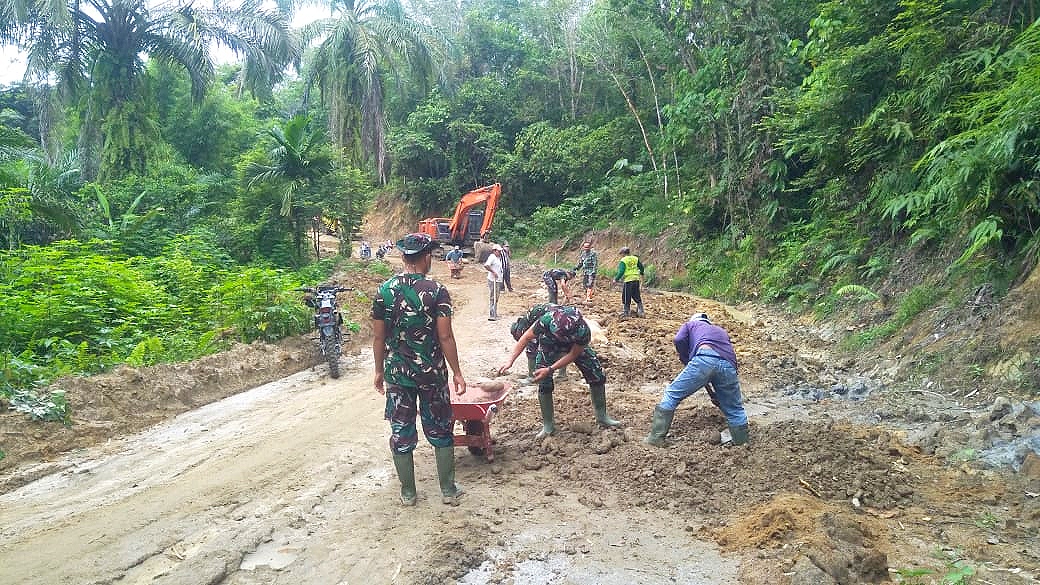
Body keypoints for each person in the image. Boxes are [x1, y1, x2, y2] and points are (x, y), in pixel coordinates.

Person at [372, 233, 467, 506]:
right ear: (426, 257)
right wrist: (457, 372)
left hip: (398, 375)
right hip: (431, 375)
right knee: (440, 429)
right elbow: (445, 337)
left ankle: (408, 494)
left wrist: (379, 371)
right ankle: (448, 491)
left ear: (403, 256)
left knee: (401, 430)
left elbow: (379, 338)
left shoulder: (384, 292)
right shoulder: (437, 291)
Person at [498, 304, 621, 438]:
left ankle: (602, 417)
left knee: (595, 371)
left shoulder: (583, 331)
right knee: (543, 379)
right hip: (548, 341)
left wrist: (551, 369)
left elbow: (573, 354)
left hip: (574, 343)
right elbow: (526, 337)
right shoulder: (546, 320)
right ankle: (548, 426)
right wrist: (510, 360)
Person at [644, 313, 749, 447]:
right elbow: (721, 358)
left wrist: (685, 358)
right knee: (734, 408)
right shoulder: (721, 331)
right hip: (729, 366)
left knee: (672, 393)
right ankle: (742, 444)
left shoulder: (690, 324)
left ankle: (655, 438)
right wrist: (722, 395)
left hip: (703, 359)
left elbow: (679, 339)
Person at [613, 246, 645, 317]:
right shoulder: (635, 258)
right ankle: (641, 311)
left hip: (628, 280)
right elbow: (641, 267)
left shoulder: (623, 260)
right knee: (636, 295)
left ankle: (626, 312)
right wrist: (641, 273)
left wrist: (616, 279)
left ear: (623, 253)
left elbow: (621, 271)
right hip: (636, 279)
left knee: (626, 296)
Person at [483, 244, 504, 320]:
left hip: (498, 280)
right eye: (499, 251)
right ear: (494, 251)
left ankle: (494, 312)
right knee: (493, 297)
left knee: (496, 297)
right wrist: (493, 272)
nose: (500, 252)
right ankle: (492, 314)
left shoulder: (498, 258)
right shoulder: (492, 257)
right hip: (493, 280)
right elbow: (486, 265)